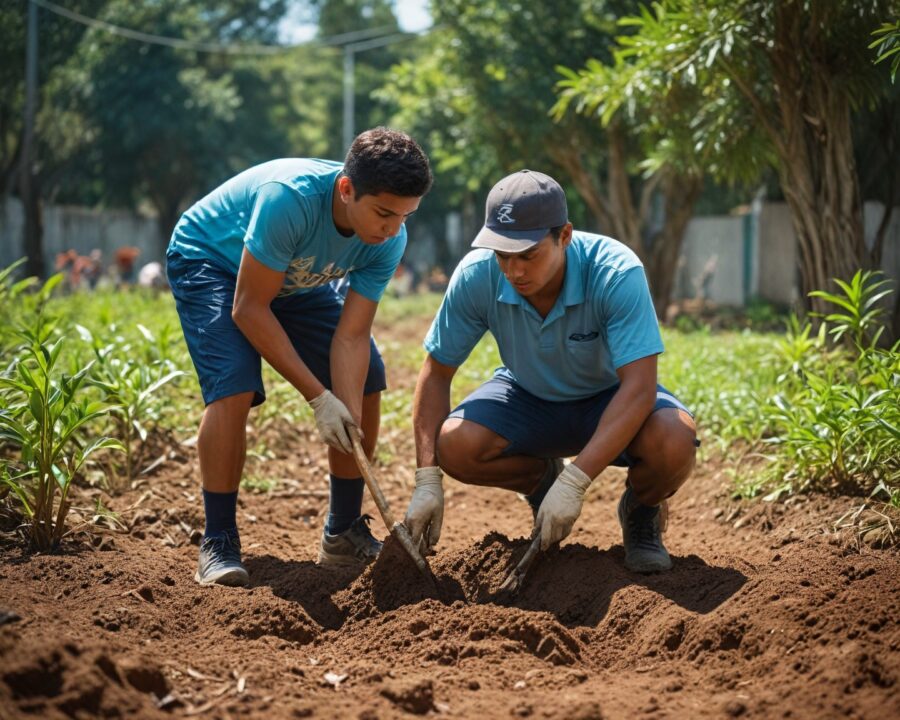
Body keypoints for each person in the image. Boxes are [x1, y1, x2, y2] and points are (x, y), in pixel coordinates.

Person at [166, 128, 432, 586]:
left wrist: (343, 406)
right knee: (234, 385)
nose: (392, 229)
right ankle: (219, 540)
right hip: (214, 262)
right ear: (347, 190)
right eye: (384, 214)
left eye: (405, 217)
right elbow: (249, 308)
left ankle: (343, 531)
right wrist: (317, 397)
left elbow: (351, 337)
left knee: (369, 379)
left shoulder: (390, 239)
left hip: (293, 278)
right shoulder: (289, 199)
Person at [404, 170, 698, 573]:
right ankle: (541, 480)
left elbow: (639, 387)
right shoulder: (477, 276)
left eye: (527, 255)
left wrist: (577, 482)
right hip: (528, 396)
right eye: (502, 254)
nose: (514, 270)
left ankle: (642, 511)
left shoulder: (615, 272)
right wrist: (427, 478)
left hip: (610, 397)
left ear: (564, 236)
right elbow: (436, 373)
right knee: (456, 445)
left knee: (674, 440)